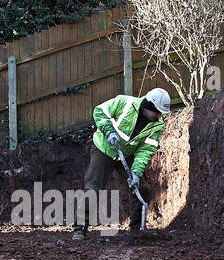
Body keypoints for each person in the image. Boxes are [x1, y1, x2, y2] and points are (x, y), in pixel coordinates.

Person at [72, 87, 171, 240]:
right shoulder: (124, 102)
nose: (159, 116)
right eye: (157, 112)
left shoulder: (157, 125)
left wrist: (136, 173)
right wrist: (109, 131)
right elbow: (99, 111)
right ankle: (80, 229)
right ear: (148, 106)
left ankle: (136, 230)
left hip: (127, 154)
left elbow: (146, 150)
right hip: (104, 148)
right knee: (93, 189)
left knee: (141, 188)